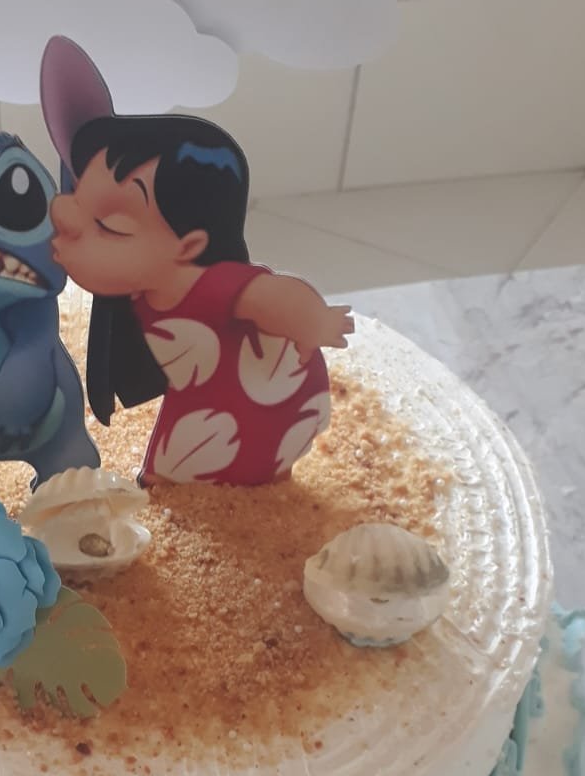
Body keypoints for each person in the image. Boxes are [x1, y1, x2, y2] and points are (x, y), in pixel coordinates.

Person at [40, 37, 353, 486]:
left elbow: (268, 294)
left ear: (188, 247)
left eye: (108, 225)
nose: (63, 217)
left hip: (262, 404)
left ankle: (190, 485)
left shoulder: (209, 287)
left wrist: (314, 319)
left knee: (170, 468)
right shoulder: (148, 287)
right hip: (213, 392)